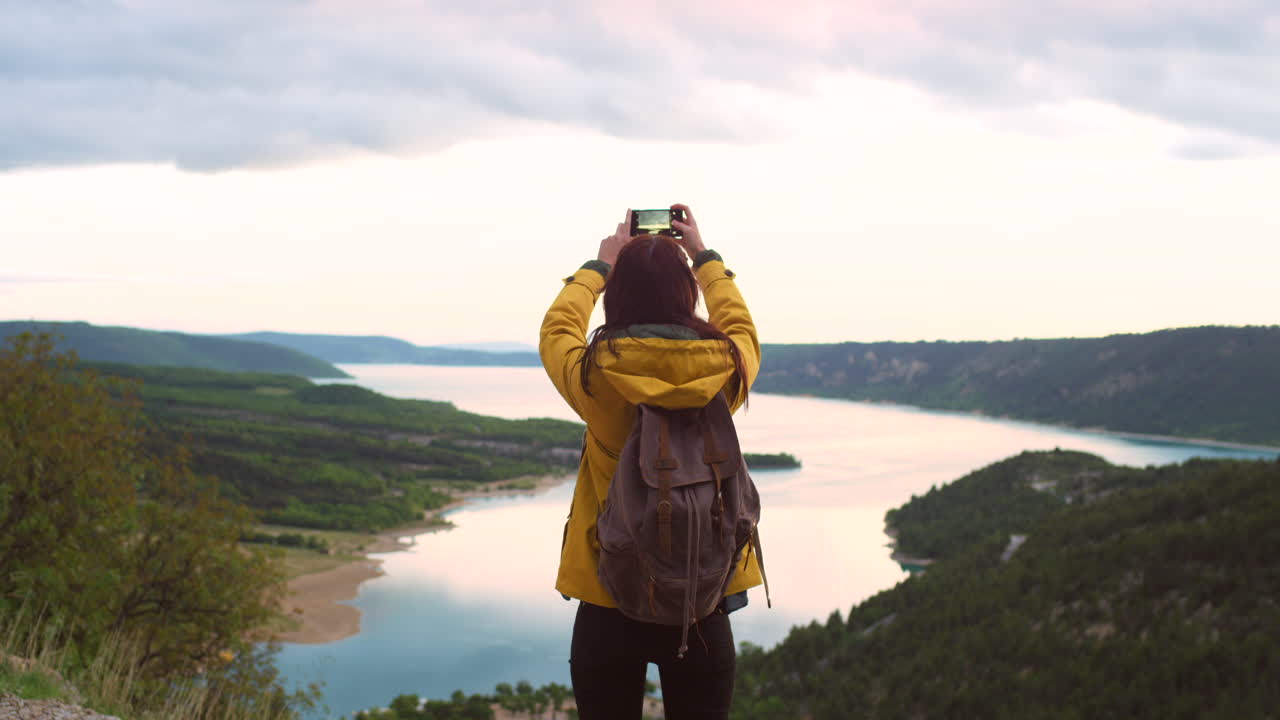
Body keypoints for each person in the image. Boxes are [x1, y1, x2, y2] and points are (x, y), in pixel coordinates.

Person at [539, 204, 763, 719]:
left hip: (607, 591)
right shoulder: (728, 367)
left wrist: (598, 267)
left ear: (616, 296)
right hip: (704, 598)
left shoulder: (598, 377)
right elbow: (740, 326)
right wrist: (703, 257)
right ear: (686, 295)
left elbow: (558, 330)